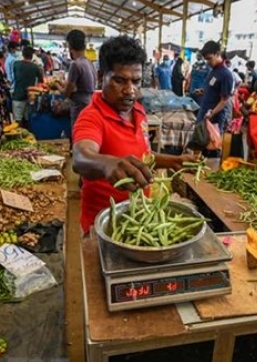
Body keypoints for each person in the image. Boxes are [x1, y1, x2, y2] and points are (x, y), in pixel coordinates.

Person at [71, 36, 195, 233]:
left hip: (139, 219)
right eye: (119, 80)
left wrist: (175, 161)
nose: (129, 90)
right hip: (104, 226)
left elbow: (142, 157)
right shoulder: (91, 117)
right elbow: (79, 157)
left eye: (136, 81)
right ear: (102, 76)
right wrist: (107, 164)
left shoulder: (137, 110)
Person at [197, 40, 234, 157]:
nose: (208, 62)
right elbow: (213, 89)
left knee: (212, 148)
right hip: (204, 114)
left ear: (218, 53)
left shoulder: (226, 75)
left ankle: (212, 171)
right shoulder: (213, 71)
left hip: (214, 118)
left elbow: (224, 100)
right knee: (202, 145)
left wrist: (212, 112)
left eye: (209, 58)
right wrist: (203, 91)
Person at [63, 29, 97, 140]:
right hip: (90, 103)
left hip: (79, 106)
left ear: (70, 46)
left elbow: (67, 93)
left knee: (78, 135)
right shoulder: (89, 62)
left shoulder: (75, 65)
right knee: (87, 134)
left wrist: (57, 85)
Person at [11, 46, 44, 126]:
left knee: (17, 121)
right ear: (32, 56)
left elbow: (15, 77)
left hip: (17, 96)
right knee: (28, 119)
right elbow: (41, 80)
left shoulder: (16, 64)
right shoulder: (35, 67)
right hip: (30, 97)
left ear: (22, 54)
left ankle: (18, 136)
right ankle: (28, 135)